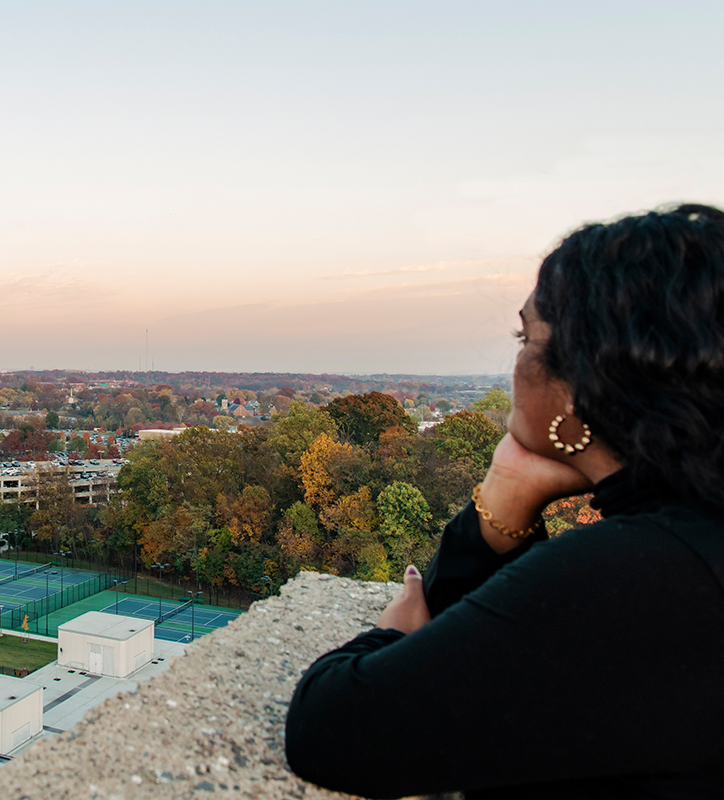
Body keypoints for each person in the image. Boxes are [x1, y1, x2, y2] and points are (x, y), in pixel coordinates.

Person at [285, 204, 724, 798]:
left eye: (527, 338)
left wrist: (387, 635)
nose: (513, 365)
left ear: (583, 386)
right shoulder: (691, 537)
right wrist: (505, 500)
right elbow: (503, 657)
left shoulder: (647, 572)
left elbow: (331, 731)